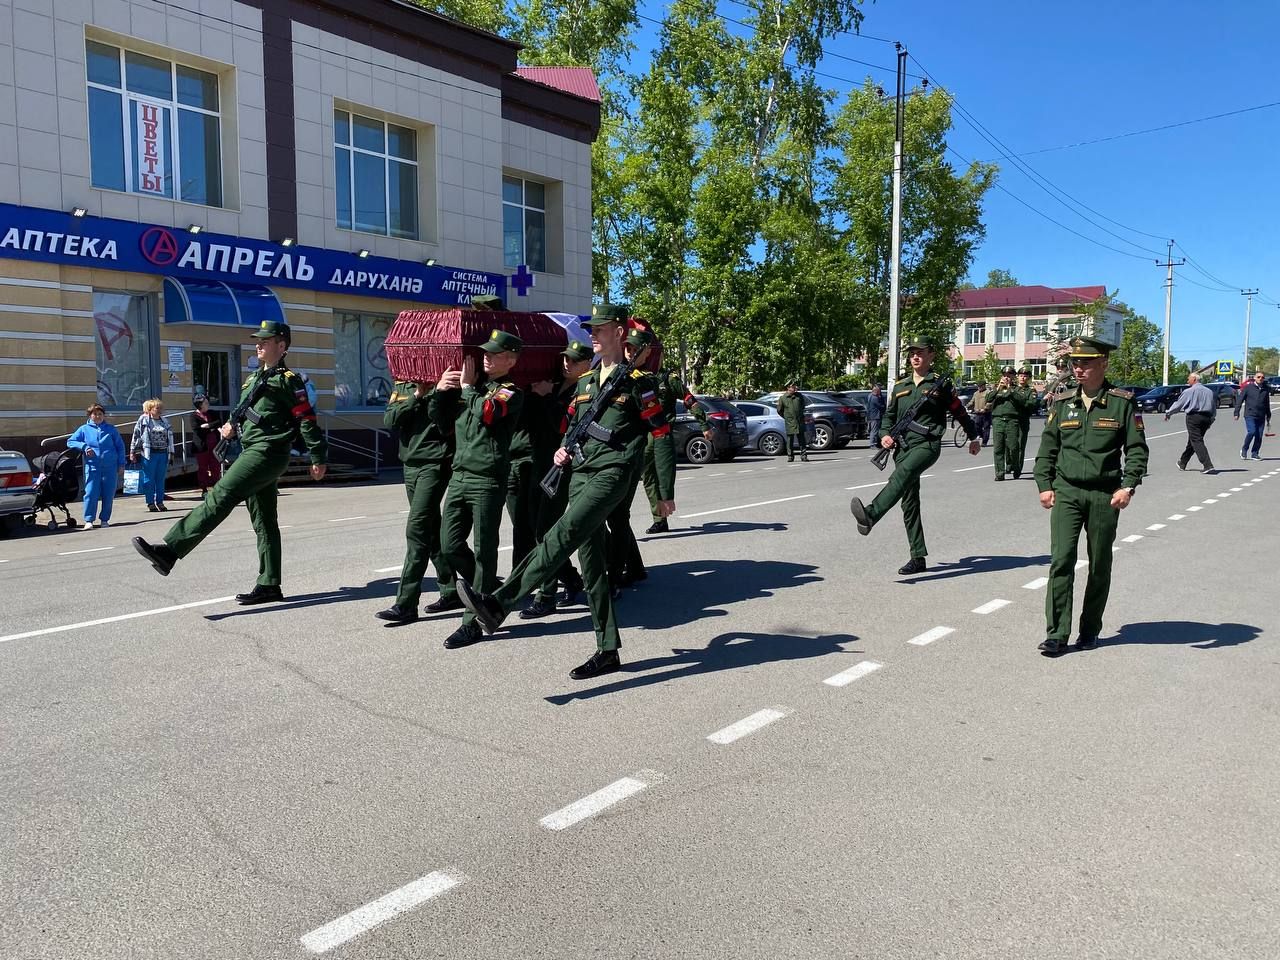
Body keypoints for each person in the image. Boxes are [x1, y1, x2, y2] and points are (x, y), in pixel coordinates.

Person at [453, 303, 677, 681]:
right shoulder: (588, 382)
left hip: (612, 473)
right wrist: (564, 448)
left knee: (559, 535)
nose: (593, 333)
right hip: (579, 473)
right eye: (592, 328)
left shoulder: (640, 383)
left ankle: (499, 603)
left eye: (601, 328)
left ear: (620, 333)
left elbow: (661, 435)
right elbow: (572, 426)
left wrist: (664, 492)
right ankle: (607, 650)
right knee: (592, 568)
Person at [131, 320, 328, 603]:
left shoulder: (288, 381)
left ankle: (170, 551)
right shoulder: (254, 379)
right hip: (252, 448)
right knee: (264, 521)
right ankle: (270, 584)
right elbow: (240, 410)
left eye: (265, 341)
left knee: (221, 494)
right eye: (257, 340)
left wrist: (318, 456)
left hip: (267, 452)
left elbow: (306, 420)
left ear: (281, 346)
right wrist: (229, 425)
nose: (258, 344)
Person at [1033, 336, 1148, 656]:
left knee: (1099, 564)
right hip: (1067, 491)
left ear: (1103, 363)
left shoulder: (1121, 402)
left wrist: (1128, 486)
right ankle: (1056, 633)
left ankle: (1090, 630)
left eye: (1085, 362)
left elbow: (1137, 450)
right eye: (1075, 363)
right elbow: (1047, 450)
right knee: (1061, 560)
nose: (1078, 369)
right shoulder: (1062, 402)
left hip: (1104, 494)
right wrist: (1044, 484)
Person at [849, 338, 981, 574]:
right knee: (909, 502)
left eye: (921, 352)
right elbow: (889, 416)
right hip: (902, 447)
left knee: (902, 475)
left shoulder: (940, 385)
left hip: (927, 445)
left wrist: (973, 437)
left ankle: (871, 514)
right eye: (912, 353)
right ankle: (917, 557)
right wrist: (885, 435)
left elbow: (959, 411)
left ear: (932, 355)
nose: (915, 356)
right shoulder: (901, 386)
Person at [432, 330, 525, 650]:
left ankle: (473, 622)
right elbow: (441, 423)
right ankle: (484, 593)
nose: (486, 356)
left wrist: (468, 389)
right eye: (485, 351)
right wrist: (441, 392)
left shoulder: (510, 392)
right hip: (460, 475)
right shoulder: (470, 387)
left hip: (487, 480)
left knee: (485, 550)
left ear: (510, 360)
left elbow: (488, 414)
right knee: (448, 544)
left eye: (495, 353)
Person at [519, 339, 594, 620]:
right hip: (540, 462)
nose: (567, 363)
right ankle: (572, 579)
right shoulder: (554, 383)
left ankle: (546, 595)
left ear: (588, 363)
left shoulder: (585, 390)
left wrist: (547, 396)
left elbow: (564, 426)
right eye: (565, 358)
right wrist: (533, 393)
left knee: (547, 531)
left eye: (574, 360)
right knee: (535, 528)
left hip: (562, 468)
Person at [374, 377, 457, 623]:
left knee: (416, 529)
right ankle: (451, 589)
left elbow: (446, 424)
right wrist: (417, 396)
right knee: (430, 531)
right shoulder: (403, 386)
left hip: (435, 463)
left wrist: (436, 393)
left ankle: (406, 603)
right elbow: (390, 419)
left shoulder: (447, 383)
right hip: (409, 463)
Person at [606, 326, 660, 591]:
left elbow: (657, 427)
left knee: (617, 515)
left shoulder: (643, 381)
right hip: (613, 456)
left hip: (630, 457)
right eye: (627, 347)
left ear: (646, 352)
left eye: (635, 348)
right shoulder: (618, 375)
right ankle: (635, 568)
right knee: (617, 516)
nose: (630, 351)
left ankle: (616, 575)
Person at [644, 349, 708, 534]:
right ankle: (659, 519)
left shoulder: (668, 378)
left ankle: (661, 518)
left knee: (663, 477)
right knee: (646, 477)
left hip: (662, 434)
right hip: (644, 435)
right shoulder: (639, 377)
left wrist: (703, 424)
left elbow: (689, 399)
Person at [66, 403, 125, 527]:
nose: (98, 416)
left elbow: (120, 447)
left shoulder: (111, 429)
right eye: (95, 414)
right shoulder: (84, 429)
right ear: (90, 415)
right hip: (93, 467)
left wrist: (121, 464)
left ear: (104, 415)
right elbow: (71, 441)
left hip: (110, 467)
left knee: (108, 494)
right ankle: (89, 520)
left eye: (100, 414)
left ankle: (104, 519)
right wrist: (84, 446)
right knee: (91, 493)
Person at [1163, 372, 1216, 473]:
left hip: (1194, 417)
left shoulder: (1189, 391)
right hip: (1206, 418)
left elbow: (1179, 404)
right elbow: (1213, 407)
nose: (1187, 381)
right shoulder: (1209, 391)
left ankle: (1208, 465)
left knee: (1196, 441)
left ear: (1194, 379)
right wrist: (1212, 419)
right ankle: (1183, 462)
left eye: (1189, 379)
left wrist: (1168, 413)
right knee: (1193, 441)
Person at [130, 398, 173, 512]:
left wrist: (171, 453)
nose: (159, 410)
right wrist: (132, 451)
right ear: (149, 409)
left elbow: (170, 438)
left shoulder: (165, 421)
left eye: (160, 408)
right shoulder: (143, 420)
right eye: (156, 408)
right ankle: (150, 502)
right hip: (149, 454)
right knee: (149, 479)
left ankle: (160, 502)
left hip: (163, 453)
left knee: (160, 479)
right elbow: (136, 435)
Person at [986, 368, 1026, 480]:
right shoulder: (997, 388)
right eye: (1004, 375)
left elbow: (1022, 401)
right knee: (998, 448)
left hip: (1012, 420)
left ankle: (1016, 467)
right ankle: (999, 473)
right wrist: (998, 388)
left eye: (1009, 375)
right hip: (998, 420)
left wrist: (1009, 389)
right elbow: (988, 399)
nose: (1006, 377)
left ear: (1013, 376)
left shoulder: (1017, 389)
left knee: (1013, 447)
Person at [1234, 370, 1272, 460]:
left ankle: (1255, 453)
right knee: (1252, 432)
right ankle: (1244, 449)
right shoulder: (1248, 388)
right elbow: (1240, 400)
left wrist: (1268, 416)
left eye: (1262, 377)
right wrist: (1236, 412)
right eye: (1258, 377)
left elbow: (1267, 403)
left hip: (1261, 415)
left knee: (1259, 435)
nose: (1260, 379)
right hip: (1250, 414)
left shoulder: (1265, 389)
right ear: (1254, 378)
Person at [191, 394, 223, 497]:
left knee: (216, 467)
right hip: (201, 447)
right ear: (199, 405)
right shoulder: (193, 416)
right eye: (205, 403)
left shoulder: (212, 413)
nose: (207, 404)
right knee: (203, 468)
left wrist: (208, 426)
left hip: (215, 445)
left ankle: (216, 488)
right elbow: (197, 430)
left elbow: (219, 422)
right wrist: (212, 427)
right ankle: (204, 490)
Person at [776, 383, 808, 462]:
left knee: (802, 440)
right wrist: (787, 418)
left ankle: (804, 456)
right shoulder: (783, 398)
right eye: (793, 387)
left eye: (795, 387)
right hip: (790, 422)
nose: (794, 388)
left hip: (799, 421)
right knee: (790, 440)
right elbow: (779, 410)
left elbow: (803, 406)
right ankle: (790, 456)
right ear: (788, 388)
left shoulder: (799, 396)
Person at [1013, 367, 1037, 468]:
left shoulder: (1031, 390)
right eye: (1021, 376)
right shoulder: (1013, 388)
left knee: (1020, 445)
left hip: (1023, 419)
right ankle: (1010, 464)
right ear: (1017, 377)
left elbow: (1032, 404)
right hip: (1011, 420)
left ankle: (1018, 467)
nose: (1023, 378)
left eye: (1025, 376)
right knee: (1010, 444)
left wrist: (1021, 401)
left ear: (1029, 378)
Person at [969, 382, 992, 446]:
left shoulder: (988, 392)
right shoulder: (976, 393)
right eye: (978, 386)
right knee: (977, 426)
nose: (979, 387)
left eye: (980, 386)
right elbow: (972, 401)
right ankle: (982, 435)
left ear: (984, 386)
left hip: (986, 413)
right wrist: (967, 406)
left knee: (986, 427)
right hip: (977, 412)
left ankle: (984, 442)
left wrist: (985, 409)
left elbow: (990, 402)